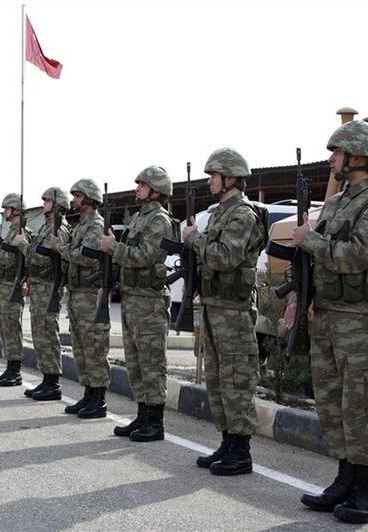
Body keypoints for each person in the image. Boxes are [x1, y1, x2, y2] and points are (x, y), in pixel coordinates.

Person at [293, 121, 368, 524]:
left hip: (360, 320)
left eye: (337, 153)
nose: (331, 159)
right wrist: (298, 301)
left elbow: (357, 256)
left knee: (362, 405)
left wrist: (311, 239)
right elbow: (311, 264)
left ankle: (367, 494)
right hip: (326, 315)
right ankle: (343, 481)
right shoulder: (339, 202)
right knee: (332, 404)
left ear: (357, 157)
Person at [183, 148, 267, 475]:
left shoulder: (242, 214)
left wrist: (194, 239)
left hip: (233, 310)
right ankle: (227, 441)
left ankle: (241, 451)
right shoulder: (220, 212)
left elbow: (224, 257)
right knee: (217, 379)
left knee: (236, 379)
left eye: (213, 176)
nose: (209, 181)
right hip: (215, 305)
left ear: (230, 178)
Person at [100, 166, 175, 441]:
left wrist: (113, 248)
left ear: (156, 190)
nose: (137, 188)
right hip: (133, 298)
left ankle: (155, 423)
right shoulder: (139, 218)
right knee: (136, 363)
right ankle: (143, 416)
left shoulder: (159, 220)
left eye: (142, 184)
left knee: (151, 362)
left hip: (149, 302)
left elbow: (145, 256)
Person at [52, 179, 111, 415]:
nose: (74, 200)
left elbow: (87, 258)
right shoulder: (81, 225)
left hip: (89, 294)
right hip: (77, 294)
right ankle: (88, 394)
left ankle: (99, 399)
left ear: (89, 198)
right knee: (80, 347)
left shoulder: (96, 225)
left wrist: (61, 248)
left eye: (78, 196)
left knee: (94, 347)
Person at [17, 188, 71, 400]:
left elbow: (44, 258)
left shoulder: (60, 229)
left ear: (58, 205)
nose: (44, 203)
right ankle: (46, 379)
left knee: (48, 333)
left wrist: (25, 247)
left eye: (48, 200)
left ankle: (53, 383)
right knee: (40, 334)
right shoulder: (46, 227)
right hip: (39, 287)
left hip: (49, 287)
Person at [0, 193, 31, 386]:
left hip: (13, 285)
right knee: (5, 328)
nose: (4, 211)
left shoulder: (22, 232)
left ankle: (15, 371)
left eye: (7, 208)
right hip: (4, 285)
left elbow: (8, 258)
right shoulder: (12, 231)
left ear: (16, 210)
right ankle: (9, 367)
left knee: (12, 327)